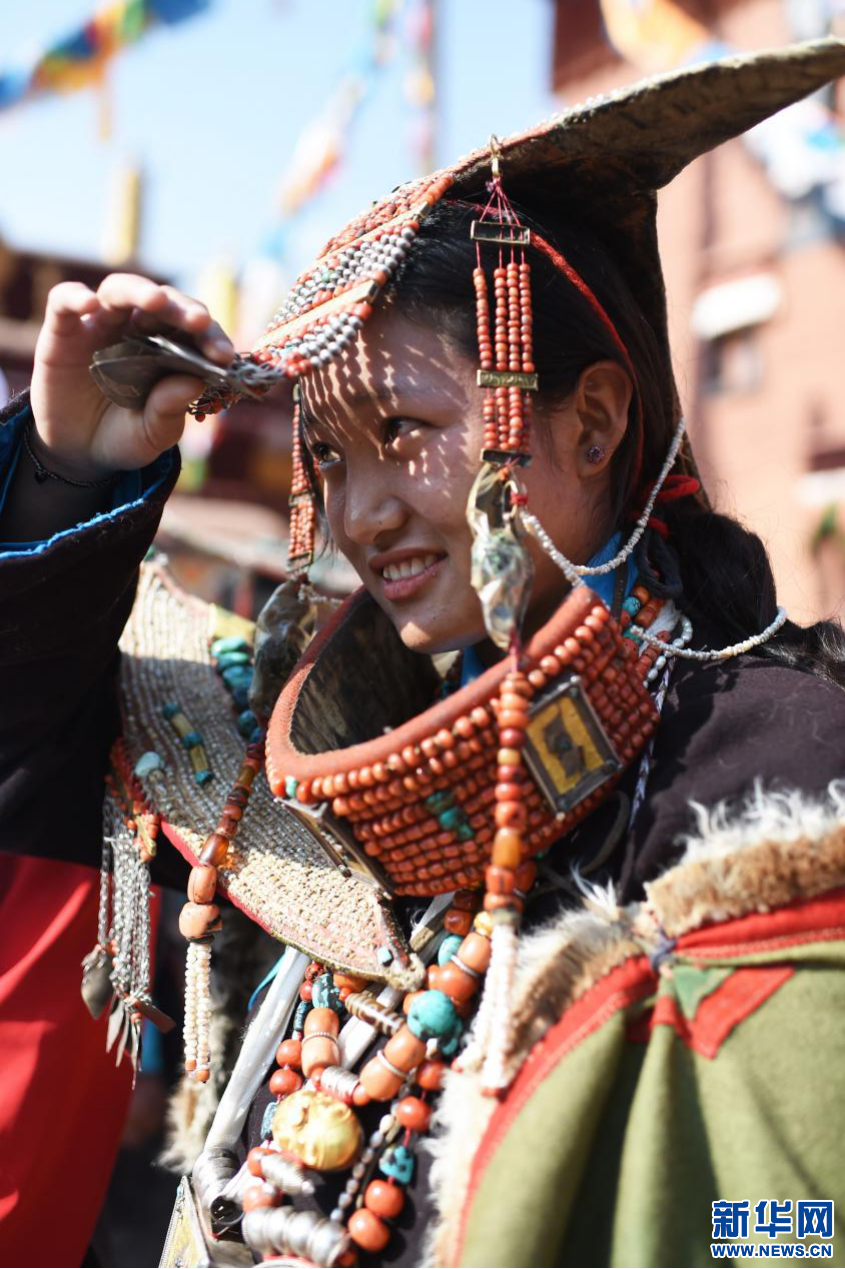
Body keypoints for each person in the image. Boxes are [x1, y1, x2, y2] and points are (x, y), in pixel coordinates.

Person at [2, 36, 845, 1269]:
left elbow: (788, 1223)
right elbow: (34, 743)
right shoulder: (277, 784)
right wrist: (68, 470)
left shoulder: (784, 785)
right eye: (328, 459)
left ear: (593, 422)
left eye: (404, 430)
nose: (363, 515)